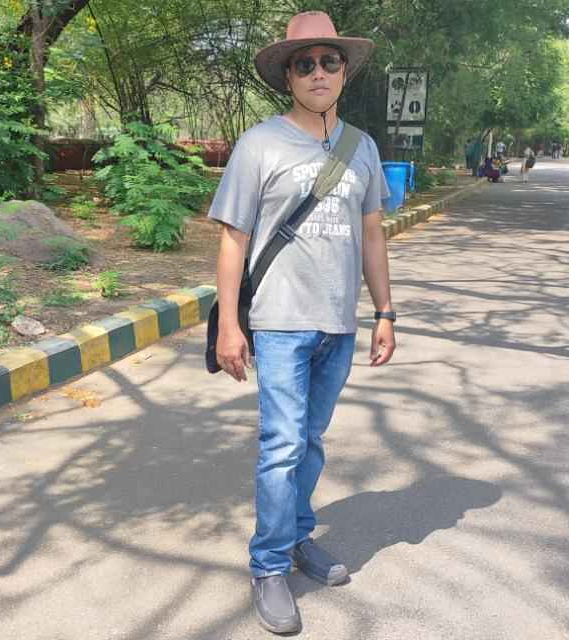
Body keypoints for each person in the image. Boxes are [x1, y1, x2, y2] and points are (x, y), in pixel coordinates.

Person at [208, 10, 395, 634]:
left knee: (310, 441)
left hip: (338, 325)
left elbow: (373, 234)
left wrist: (385, 312)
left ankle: (296, 537)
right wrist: (230, 325)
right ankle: (267, 566)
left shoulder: (362, 148)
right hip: (280, 322)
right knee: (282, 444)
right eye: (304, 63)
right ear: (288, 76)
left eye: (329, 61)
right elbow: (233, 239)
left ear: (344, 72)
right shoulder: (259, 143)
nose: (318, 72)